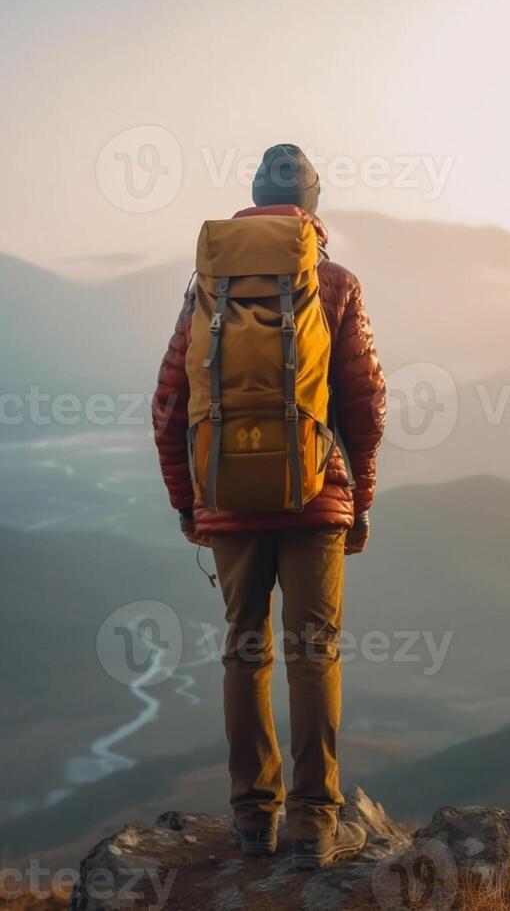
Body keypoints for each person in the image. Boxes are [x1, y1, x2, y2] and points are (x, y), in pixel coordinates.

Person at [152, 144, 386, 869]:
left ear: (251, 201)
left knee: (243, 646)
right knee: (313, 650)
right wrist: (360, 494)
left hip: (227, 498)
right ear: (312, 209)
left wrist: (189, 503)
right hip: (317, 496)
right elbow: (365, 401)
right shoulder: (334, 282)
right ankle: (314, 822)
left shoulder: (205, 291)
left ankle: (254, 817)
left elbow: (168, 404)